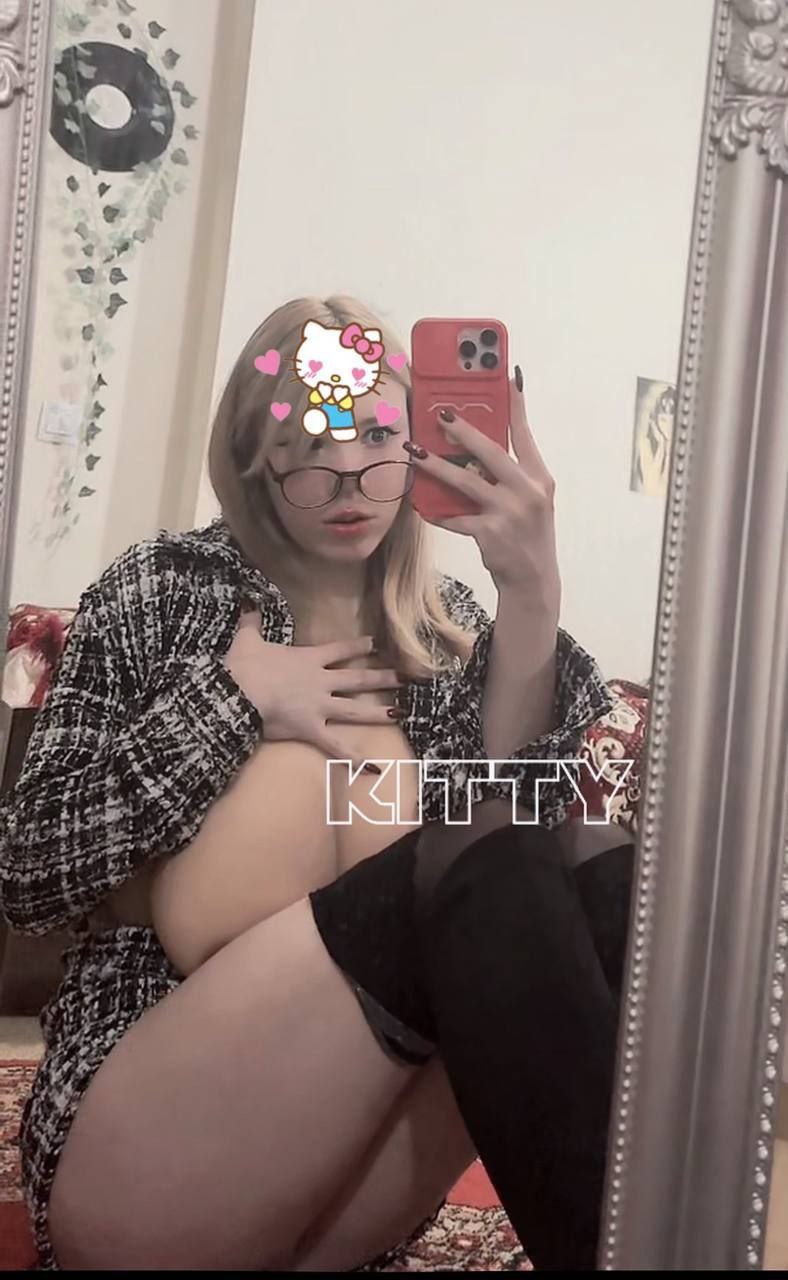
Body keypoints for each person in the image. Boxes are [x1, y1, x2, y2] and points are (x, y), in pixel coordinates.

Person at [0, 296, 633, 1272]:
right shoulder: (165, 589)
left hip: (353, 1184)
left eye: (376, 436)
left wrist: (530, 597)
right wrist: (232, 701)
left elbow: (523, 900)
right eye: (309, 441)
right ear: (253, 453)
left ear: (418, 439)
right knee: (488, 855)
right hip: (144, 1147)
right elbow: (28, 872)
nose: (347, 476)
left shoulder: (449, 631)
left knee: (592, 866)